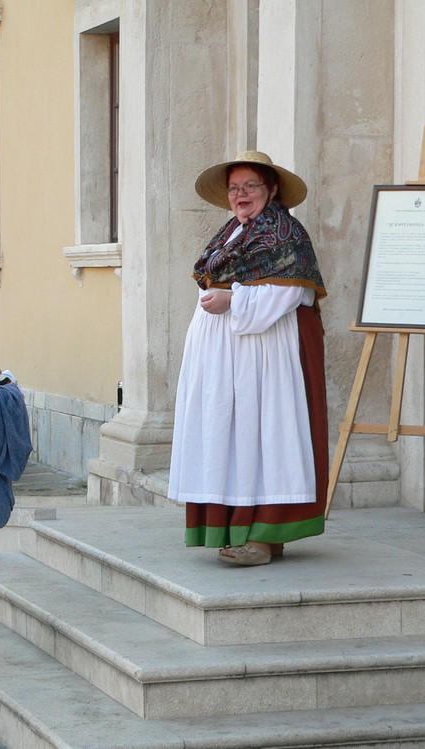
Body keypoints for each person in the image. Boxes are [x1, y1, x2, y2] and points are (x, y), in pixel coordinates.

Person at [167, 151, 329, 567]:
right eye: (235, 188)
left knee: (264, 439)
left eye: (250, 186)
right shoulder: (231, 234)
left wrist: (232, 300)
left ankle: (262, 537)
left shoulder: (285, 233)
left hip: (265, 354)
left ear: (271, 190)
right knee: (233, 436)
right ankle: (237, 530)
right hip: (227, 356)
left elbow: (292, 293)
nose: (241, 195)